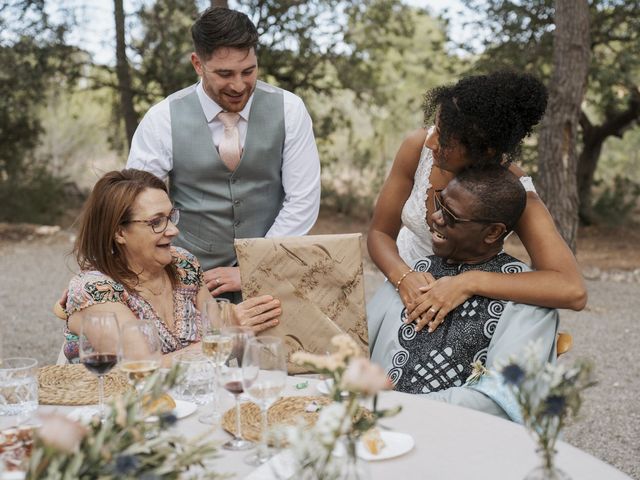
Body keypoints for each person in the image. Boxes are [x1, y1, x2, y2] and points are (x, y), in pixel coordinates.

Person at [367, 71, 586, 334]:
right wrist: (404, 277)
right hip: (401, 285)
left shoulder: (514, 191)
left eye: (445, 138)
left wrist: (467, 283)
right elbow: (380, 233)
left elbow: (572, 289)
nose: (431, 141)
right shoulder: (418, 149)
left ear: (486, 150)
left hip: (465, 312)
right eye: (436, 127)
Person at [127, 7, 321, 301]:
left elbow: (303, 200)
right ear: (197, 64)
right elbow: (138, 204)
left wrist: (256, 266)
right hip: (186, 277)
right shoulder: (162, 118)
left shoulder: (290, 110)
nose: (239, 85)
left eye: (249, 71)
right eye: (225, 73)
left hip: (273, 273)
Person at [368, 166, 559, 421]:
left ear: (492, 232)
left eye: (452, 216)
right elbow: (357, 343)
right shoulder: (417, 271)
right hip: (378, 428)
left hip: (462, 440)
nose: (436, 218)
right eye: (439, 203)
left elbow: (501, 396)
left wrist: (399, 407)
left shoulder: (527, 299)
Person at [62, 169, 282, 364]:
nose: (173, 230)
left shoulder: (183, 264)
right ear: (119, 233)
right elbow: (144, 367)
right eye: (156, 222)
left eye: (170, 217)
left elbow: (218, 332)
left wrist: (237, 326)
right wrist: (229, 341)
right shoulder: (95, 290)